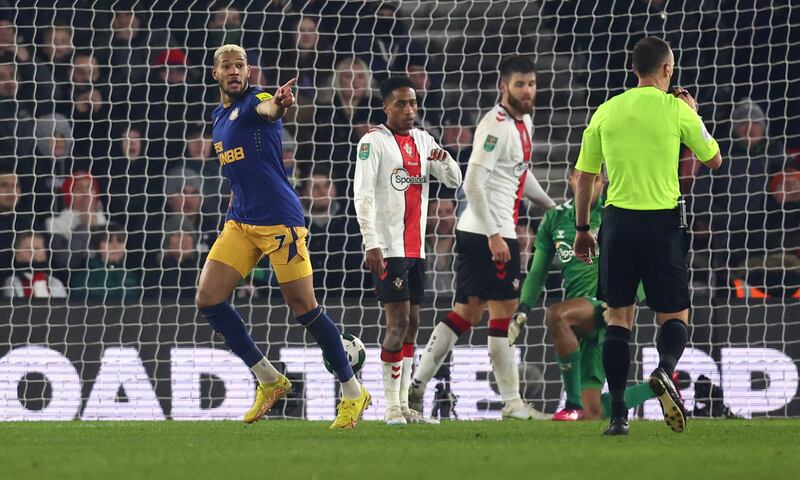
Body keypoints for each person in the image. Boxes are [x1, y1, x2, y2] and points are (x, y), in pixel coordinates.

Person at [198, 44, 369, 429]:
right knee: (209, 298)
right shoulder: (219, 116)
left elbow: (269, 109)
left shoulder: (257, 100)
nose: (235, 70)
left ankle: (354, 393)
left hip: (279, 222)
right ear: (216, 74)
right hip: (240, 222)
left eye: (240, 65)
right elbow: (239, 172)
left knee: (304, 308)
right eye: (227, 66)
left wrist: (280, 102)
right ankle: (270, 379)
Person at [572, 37, 722, 435]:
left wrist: (583, 229)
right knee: (674, 315)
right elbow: (713, 158)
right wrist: (695, 113)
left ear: (633, 69)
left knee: (618, 317)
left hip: (618, 224)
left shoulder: (606, 111)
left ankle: (619, 416)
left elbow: (585, 177)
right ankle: (664, 371)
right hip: (663, 223)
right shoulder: (676, 109)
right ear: (668, 70)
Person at [408, 56, 555, 420]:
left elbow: (518, 173)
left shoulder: (523, 124)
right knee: (502, 316)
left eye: (532, 84)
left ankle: (417, 383)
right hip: (491, 232)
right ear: (503, 87)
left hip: (477, 231)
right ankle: (512, 403)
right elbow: (473, 181)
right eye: (520, 84)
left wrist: (551, 206)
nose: (527, 90)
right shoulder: (495, 126)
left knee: (466, 312)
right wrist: (494, 234)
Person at [354, 76, 462, 425]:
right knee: (397, 322)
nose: (410, 110)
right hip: (389, 249)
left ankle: (405, 406)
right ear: (385, 106)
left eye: (413, 103)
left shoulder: (423, 139)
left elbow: (454, 181)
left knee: (414, 322)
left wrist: (444, 159)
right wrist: (371, 242)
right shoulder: (373, 143)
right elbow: (363, 195)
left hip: (417, 251)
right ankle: (390, 407)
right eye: (401, 104)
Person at [512, 170, 658, 421]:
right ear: (570, 180)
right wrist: (523, 308)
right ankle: (658, 387)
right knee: (594, 413)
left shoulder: (616, 214)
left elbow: (638, 262)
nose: (588, 185)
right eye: (582, 178)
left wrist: (627, 302)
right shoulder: (555, 218)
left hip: (607, 310)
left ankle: (571, 404)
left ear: (604, 184)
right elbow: (537, 271)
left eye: (595, 180)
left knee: (557, 315)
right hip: (579, 322)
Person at [2, 231, 67, 299]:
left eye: (37, 248)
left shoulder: (55, 283)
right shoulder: (12, 283)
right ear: (16, 254)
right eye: (27, 249)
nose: (33, 252)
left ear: (45, 253)